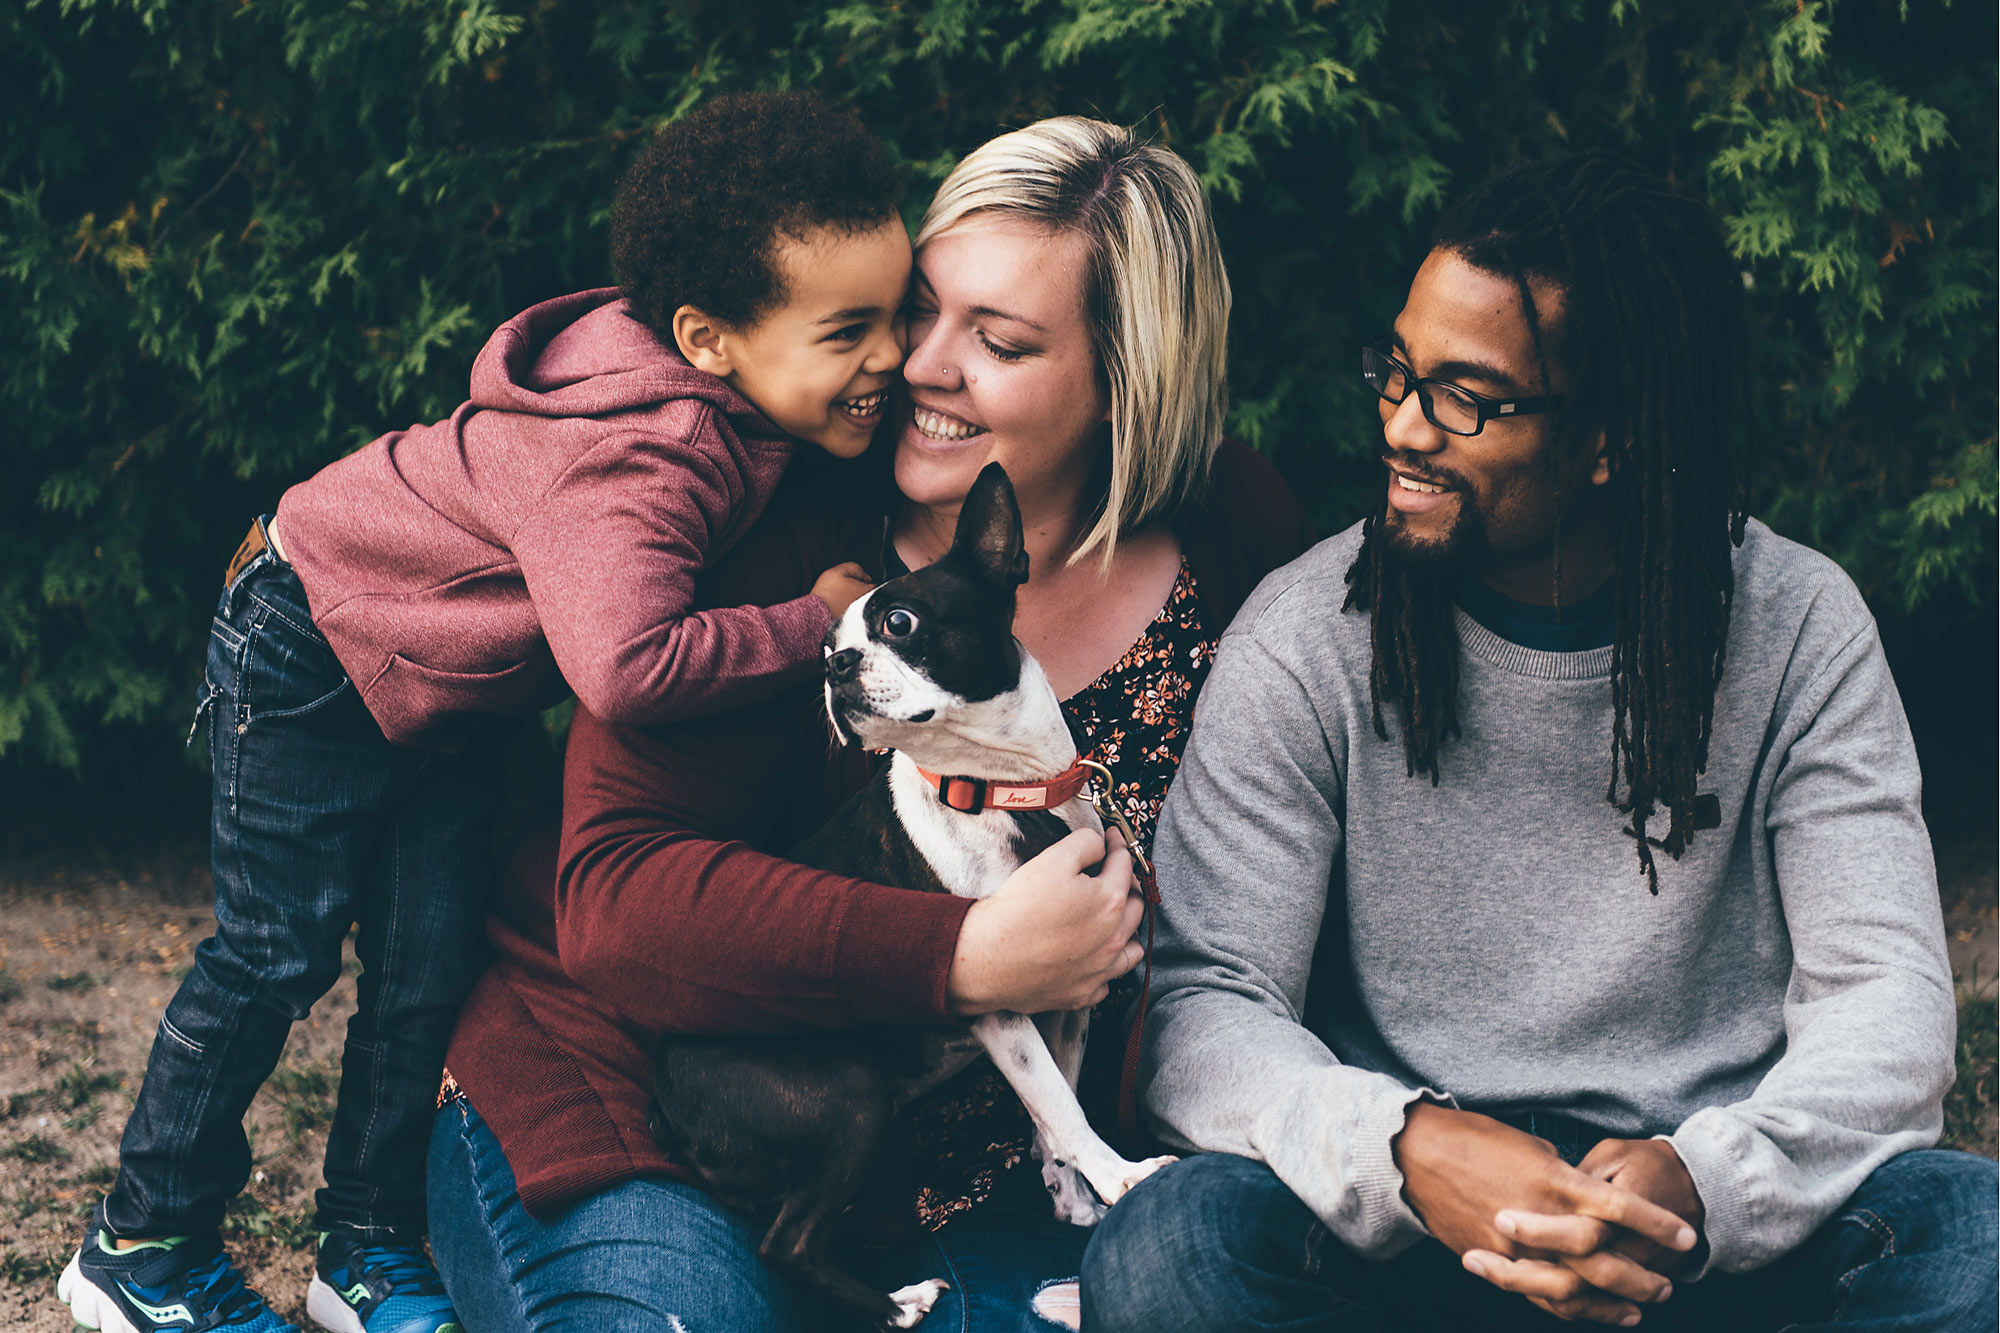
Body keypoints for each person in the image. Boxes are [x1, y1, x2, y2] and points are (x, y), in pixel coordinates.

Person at [1080, 153, 1998, 1332]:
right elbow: (1204, 1002)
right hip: (1416, 1233)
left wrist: (1703, 1182)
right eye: (1398, 373)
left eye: (1464, 396)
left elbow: (1884, 1001)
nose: (1403, 427)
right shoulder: (1309, 634)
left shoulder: (1796, 626)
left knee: (1973, 1238)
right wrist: (1406, 1146)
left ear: (1608, 438)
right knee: (1167, 1256)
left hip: (1701, 1235)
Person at [425, 115, 1313, 1331]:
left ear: (1126, 378)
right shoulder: (773, 528)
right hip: (640, 1105)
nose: (915, 365)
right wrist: (962, 955)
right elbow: (619, 904)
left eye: (994, 341)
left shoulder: (1228, 534)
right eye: (912, 312)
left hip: (994, 1181)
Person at [60, 91, 903, 1333]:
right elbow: (625, 665)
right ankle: (142, 1241)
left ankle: (363, 1241)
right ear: (706, 338)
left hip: (446, 677)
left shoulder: (731, 405)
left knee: (426, 960)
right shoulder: (641, 454)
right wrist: (817, 625)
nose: (890, 357)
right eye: (848, 331)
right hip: (313, 640)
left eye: (900, 316)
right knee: (274, 948)